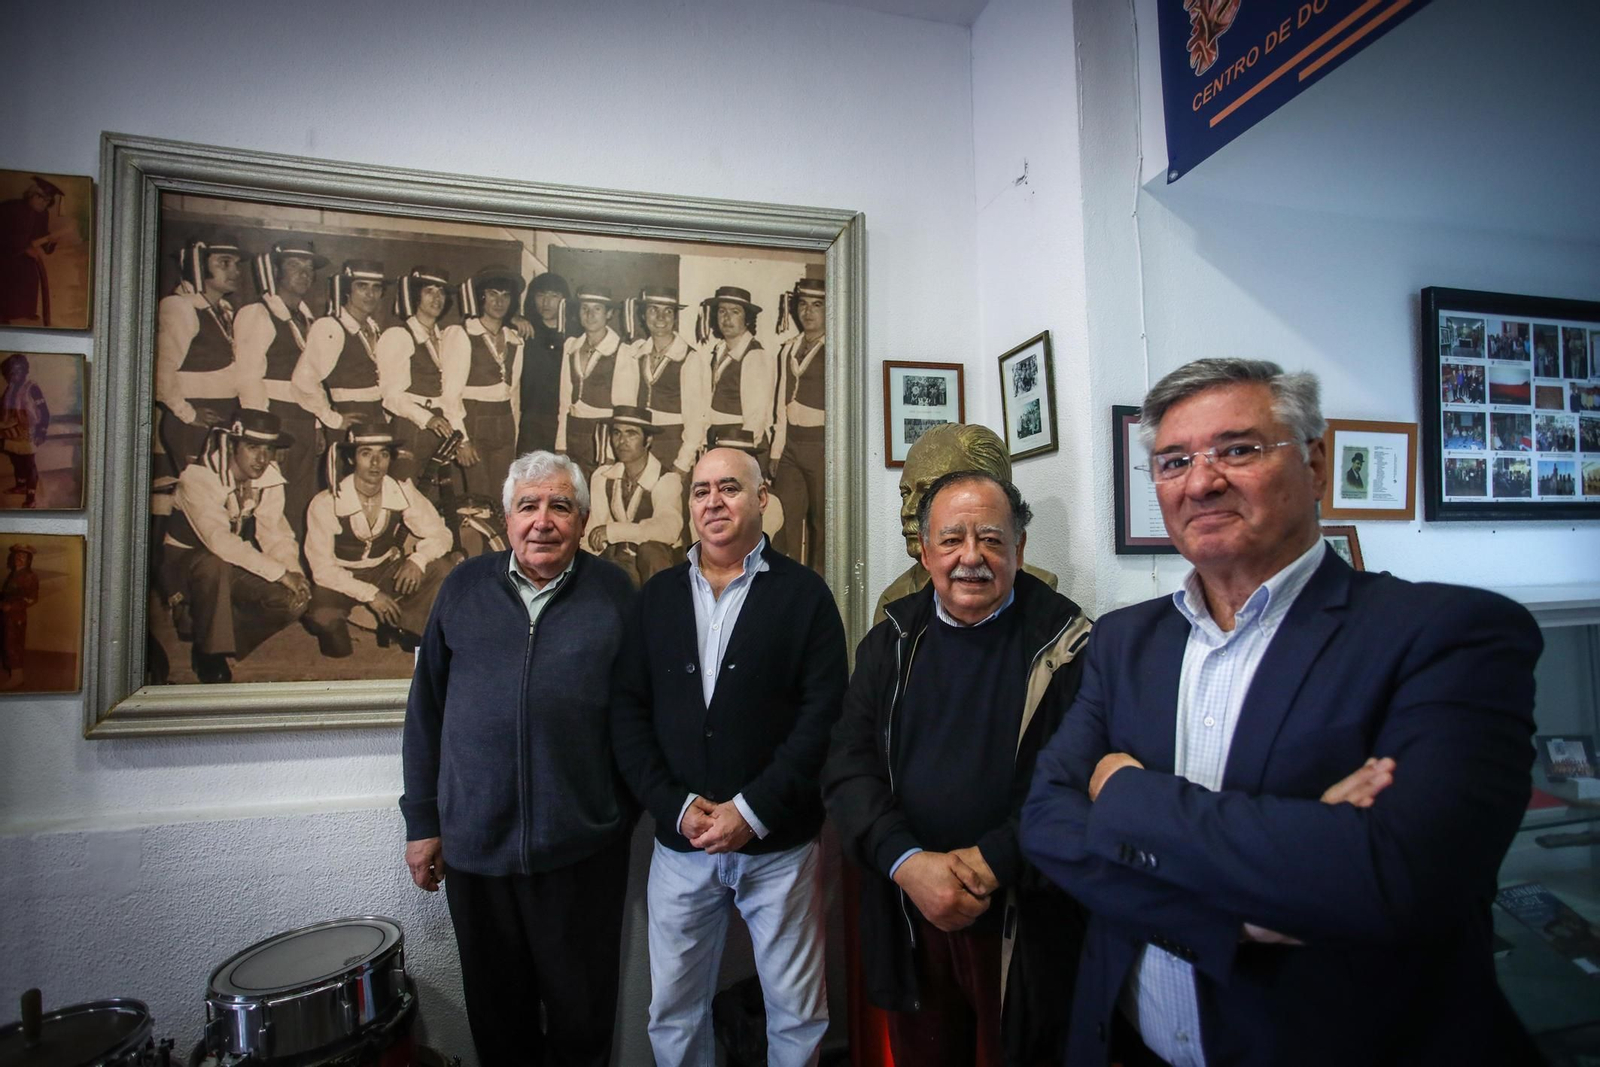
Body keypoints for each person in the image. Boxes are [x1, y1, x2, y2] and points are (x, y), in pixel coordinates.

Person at [1018, 358, 1543, 1067]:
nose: (1202, 480)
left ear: (1316, 464)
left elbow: (1391, 878)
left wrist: (1122, 791)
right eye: (1175, 461)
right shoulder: (1123, 639)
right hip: (1127, 1045)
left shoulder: (1450, 634)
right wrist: (1230, 914)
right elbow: (1048, 824)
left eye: (1237, 448)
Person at [823, 470, 1091, 1067]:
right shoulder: (888, 641)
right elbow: (848, 768)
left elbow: (1078, 785)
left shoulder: (1069, 646)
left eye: (992, 539)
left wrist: (994, 860)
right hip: (909, 914)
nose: (972, 557)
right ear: (925, 551)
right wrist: (907, 863)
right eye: (952, 540)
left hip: (1023, 922)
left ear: (1020, 549)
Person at [612, 446, 848, 1067]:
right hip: (680, 845)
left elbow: (822, 719)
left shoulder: (807, 597)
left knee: (797, 1015)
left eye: (730, 488)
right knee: (673, 1012)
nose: (712, 502)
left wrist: (752, 809)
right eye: (700, 491)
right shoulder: (656, 597)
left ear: (762, 498)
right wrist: (676, 806)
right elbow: (627, 714)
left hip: (779, 849)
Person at [401, 450, 636, 1067]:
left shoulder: (615, 593)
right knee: (500, 1024)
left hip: (582, 856)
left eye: (560, 505)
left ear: (582, 519)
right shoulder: (463, 587)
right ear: (506, 519)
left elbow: (640, 715)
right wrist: (423, 823)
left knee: (582, 1022)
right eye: (528, 506)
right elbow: (425, 712)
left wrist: (617, 812)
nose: (543, 521)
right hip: (477, 852)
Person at [160, 410, 311, 684]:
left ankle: (212, 629)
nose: (262, 458)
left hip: (229, 563)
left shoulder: (268, 477)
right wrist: (278, 573)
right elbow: (219, 541)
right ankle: (209, 652)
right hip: (186, 564)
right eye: (253, 448)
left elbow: (275, 531)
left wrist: (292, 570)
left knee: (294, 601)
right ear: (231, 445)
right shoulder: (198, 477)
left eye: (268, 449)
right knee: (213, 564)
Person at [875, 423, 1058, 625]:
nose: (907, 510)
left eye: (927, 493)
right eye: (905, 494)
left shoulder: (1046, 601)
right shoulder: (894, 602)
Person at [303, 423, 454, 657]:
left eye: (383, 454)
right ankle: (341, 635)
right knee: (324, 620)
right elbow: (322, 569)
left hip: (383, 568)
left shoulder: (401, 490)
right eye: (366, 453)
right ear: (352, 459)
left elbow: (442, 534)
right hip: (341, 575)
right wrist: (371, 595)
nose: (375, 463)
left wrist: (418, 559)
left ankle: (406, 626)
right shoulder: (326, 502)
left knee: (441, 568)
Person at [234, 237, 329, 540]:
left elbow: (313, 380)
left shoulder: (309, 319)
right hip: (276, 421)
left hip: (303, 421)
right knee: (269, 503)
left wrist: (317, 424)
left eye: (309, 268)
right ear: (277, 272)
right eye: (294, 266)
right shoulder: (258, 313)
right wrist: (264, 439)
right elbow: (248, 379)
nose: (304, 274)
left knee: (301, 500)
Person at [156, 235, 247, 471]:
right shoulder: (181, 307)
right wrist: (188, 413)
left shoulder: (224, 311)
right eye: (224, 263)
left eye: (237, 264)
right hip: (195, 422)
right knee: (199, 497)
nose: (235, 272)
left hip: (222, 417)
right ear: (198, 264)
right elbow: (159, 371)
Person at [442, 268, 525, 499]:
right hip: (474, 421)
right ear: (481, 297)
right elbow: (450, 395)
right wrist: (462, 440)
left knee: (503, 497)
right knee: (478, 497)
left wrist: (513, 436)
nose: (499, 301)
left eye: (505, 295)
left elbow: (514, 394)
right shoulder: (462, 334)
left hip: (504, 424)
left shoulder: (515, 340)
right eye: (492, 294)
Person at [377, 267, 458, 501]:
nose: (437, 298)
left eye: (441, 292)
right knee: (404, 495)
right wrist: (427, 418)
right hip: (411, 426)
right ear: (415, 296)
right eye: (429, 291)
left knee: (432, 498)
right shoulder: (399, 334)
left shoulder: (445, 337)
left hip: (440, 425)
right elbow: (391, 395)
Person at [585, 406, 684, 586]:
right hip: (621, 566)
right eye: (617, 433)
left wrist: (614, 531)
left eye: (631, 434)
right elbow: (592, 534)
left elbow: (669, 529)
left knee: (651, 550)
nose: (622, 441)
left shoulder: (667, 479)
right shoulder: (602, 477)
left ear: (648, 440)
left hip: (660, 569)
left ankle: (662, 610)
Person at [292, 259, 390, 437]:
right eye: (362, 286)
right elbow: (303, 381)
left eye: (376, 287)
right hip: (351, 417)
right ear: (347, 290)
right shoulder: (330, 327)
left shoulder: (373, 328)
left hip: (377, 416)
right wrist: (332, 418)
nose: (370, 294)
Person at [619, 286, 706, 478]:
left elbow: (696, 420)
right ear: (643, 315)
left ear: (675, 318)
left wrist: (682, 464)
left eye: (668, 311)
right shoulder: (636, 353)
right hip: (640, 444)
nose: (660, 318)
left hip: (673, 444)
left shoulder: (689, 358)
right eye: (653, 310)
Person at [771, 277, 827, 570]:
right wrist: (776, 452)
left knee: (822, 523)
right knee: (784, 517)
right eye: (803, 304)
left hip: (822, 445)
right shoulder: (788, 349)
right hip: (791, 445)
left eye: (817, 305)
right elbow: (782, 404)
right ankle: (783, 582)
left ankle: (820, 587)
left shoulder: (836, 350)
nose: (808, 312)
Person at [556, 284, 627, 478]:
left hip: (602, 434)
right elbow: (564, 402)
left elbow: (623, 408)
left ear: (609, 314)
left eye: (597, 309)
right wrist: (561, 445)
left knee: (599, 499)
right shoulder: (571, 347)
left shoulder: (621, 350)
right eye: (584, 308)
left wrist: (613, 451)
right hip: (573, 431)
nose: (590, 314)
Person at [698, 286, 777, 458]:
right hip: (718, 436)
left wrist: (745, 452)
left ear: (747, 318)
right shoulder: (719, 350)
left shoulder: (755, 355)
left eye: (735, 312)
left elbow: (756, 416)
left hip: (740, 440)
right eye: (721, 311)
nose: (727, 318)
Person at [516, 272, 572, 455]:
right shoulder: (524, 329)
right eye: (541, 295)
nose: (546, 303)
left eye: (553, 296)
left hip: (566, 418)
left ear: (564, 299)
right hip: (532, 419)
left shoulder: (574, 333)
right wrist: (513, 318)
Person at [0, 176, 65, 325]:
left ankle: (25, 311)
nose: (43, 202)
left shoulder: (42, 214)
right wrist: (23, 248)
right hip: (4, 252)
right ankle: (2, 314)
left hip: (22, 254)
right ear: (30, 195)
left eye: (47, 200)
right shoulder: (10, 208)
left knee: (29, 274)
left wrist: (50, 242)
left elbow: (40, 237)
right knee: (6, 275)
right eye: (40, 197)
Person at [0, 354, 49, 508]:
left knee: (29, 465)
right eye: (10, 373)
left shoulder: (32, 387)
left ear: (25, 371)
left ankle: (31, 498)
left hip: (29, 432)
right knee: (16, 459)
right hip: (11, 430)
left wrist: (41, 431)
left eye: (17, 371)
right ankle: (20, 486)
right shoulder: (10, 388)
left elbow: (44, 411)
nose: (13, 376)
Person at [0, 543, 39, 690]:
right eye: (17, 555)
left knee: (14, 644)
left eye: (23, 556)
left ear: (29, 560)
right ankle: (12, 672)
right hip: (6, 615)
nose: (19, 558)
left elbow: (32, 598)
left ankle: (17, 678)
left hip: (17, 617)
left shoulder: (30, 576)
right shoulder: (13, 574)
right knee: (7, 643)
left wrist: (12, 606)